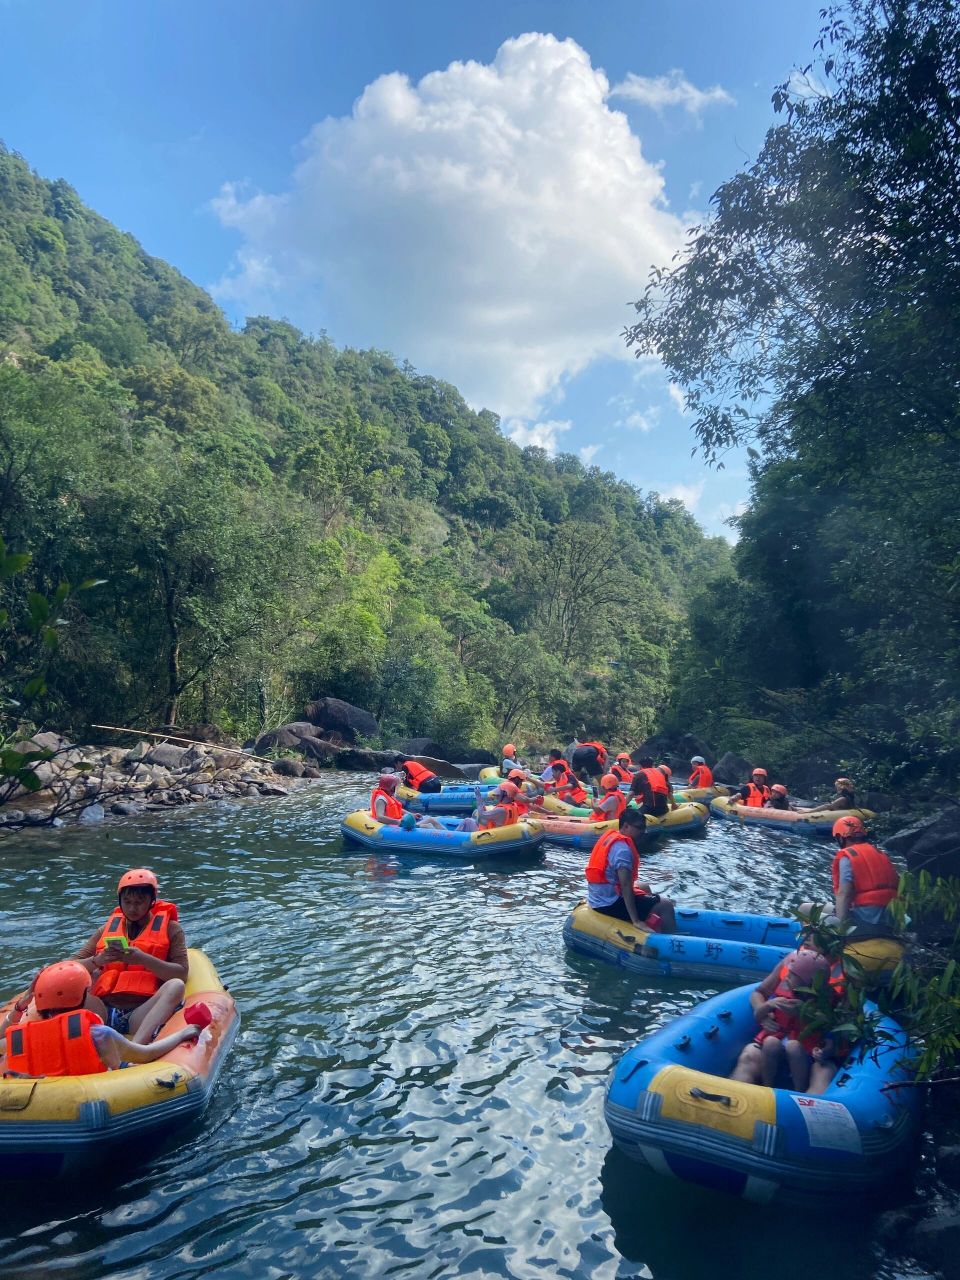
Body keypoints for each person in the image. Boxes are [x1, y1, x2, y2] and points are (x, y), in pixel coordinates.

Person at [3, 960, 207, 1076]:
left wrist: (20, 1007)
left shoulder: (18, 1039)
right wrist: (183, 1034)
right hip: (90, 1100)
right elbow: (147, 1054)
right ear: (83, 997)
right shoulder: (99, 1034)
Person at [71, 869, 189, 1046]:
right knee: (69, 980)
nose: (132, 908)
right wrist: (97, 960)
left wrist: (143, 959)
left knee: (176, 986)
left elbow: (181, 974)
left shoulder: (171, 929)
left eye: (139, 902)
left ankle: (137, 1049)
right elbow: (68, 967)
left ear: (152, 901)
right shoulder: (106, 929)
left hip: (139, 1014)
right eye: (127, 902)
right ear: (120, 901)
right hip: (101, 1010)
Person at [729, 949, 839, 1093]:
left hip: (808, 1053)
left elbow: (831, 1030)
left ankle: (799, 1092)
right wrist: (767, 1006)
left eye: (792, 975)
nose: (786, 977)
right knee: (768, 1044)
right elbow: (759, 1005)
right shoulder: (781, 994)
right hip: (777, 1044)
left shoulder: (827, 1002)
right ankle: (765, 1088)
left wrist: (805, 1014)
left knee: (798, 1050)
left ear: (809, 983)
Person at [584, 808, 677, 932]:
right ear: (626, 826)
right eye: (639, 827)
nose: (643, 832)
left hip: (598, 898)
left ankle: (651, 923)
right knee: (666, 905)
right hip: (608, 904)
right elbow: (626, 885)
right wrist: (636, 921)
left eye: (644, 828)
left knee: (644, 887)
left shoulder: (611, 837)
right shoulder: (622, 850)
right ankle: (671, 941)